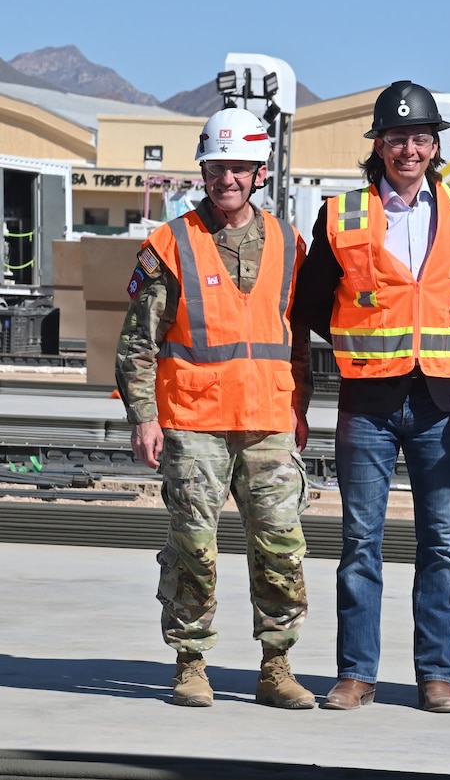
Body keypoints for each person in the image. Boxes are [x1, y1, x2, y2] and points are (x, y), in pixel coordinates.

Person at [291, 81, 450, 713]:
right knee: (360, 540)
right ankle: (356, 674)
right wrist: (363, 340)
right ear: (378, 145)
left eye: (420, 138)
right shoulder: (342, 213)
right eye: (397, 137)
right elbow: (313, 303)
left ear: (435, 146)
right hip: (368, 400)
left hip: (438, 398)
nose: (409, 148)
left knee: (441, 540)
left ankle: (436, 674)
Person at [114, 107, 315, 709]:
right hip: (193, 421)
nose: (228, 177)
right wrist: (143, 417)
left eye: (239, 167)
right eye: (217, 166)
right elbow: (138, 342)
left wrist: (299, 405)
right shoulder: (170, 243)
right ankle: (190, 661)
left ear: (259, 172)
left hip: (269, 421)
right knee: (194, 545)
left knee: (280, 542)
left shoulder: (288, 241)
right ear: (204, 171)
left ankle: (276, 665)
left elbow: (296, 338)